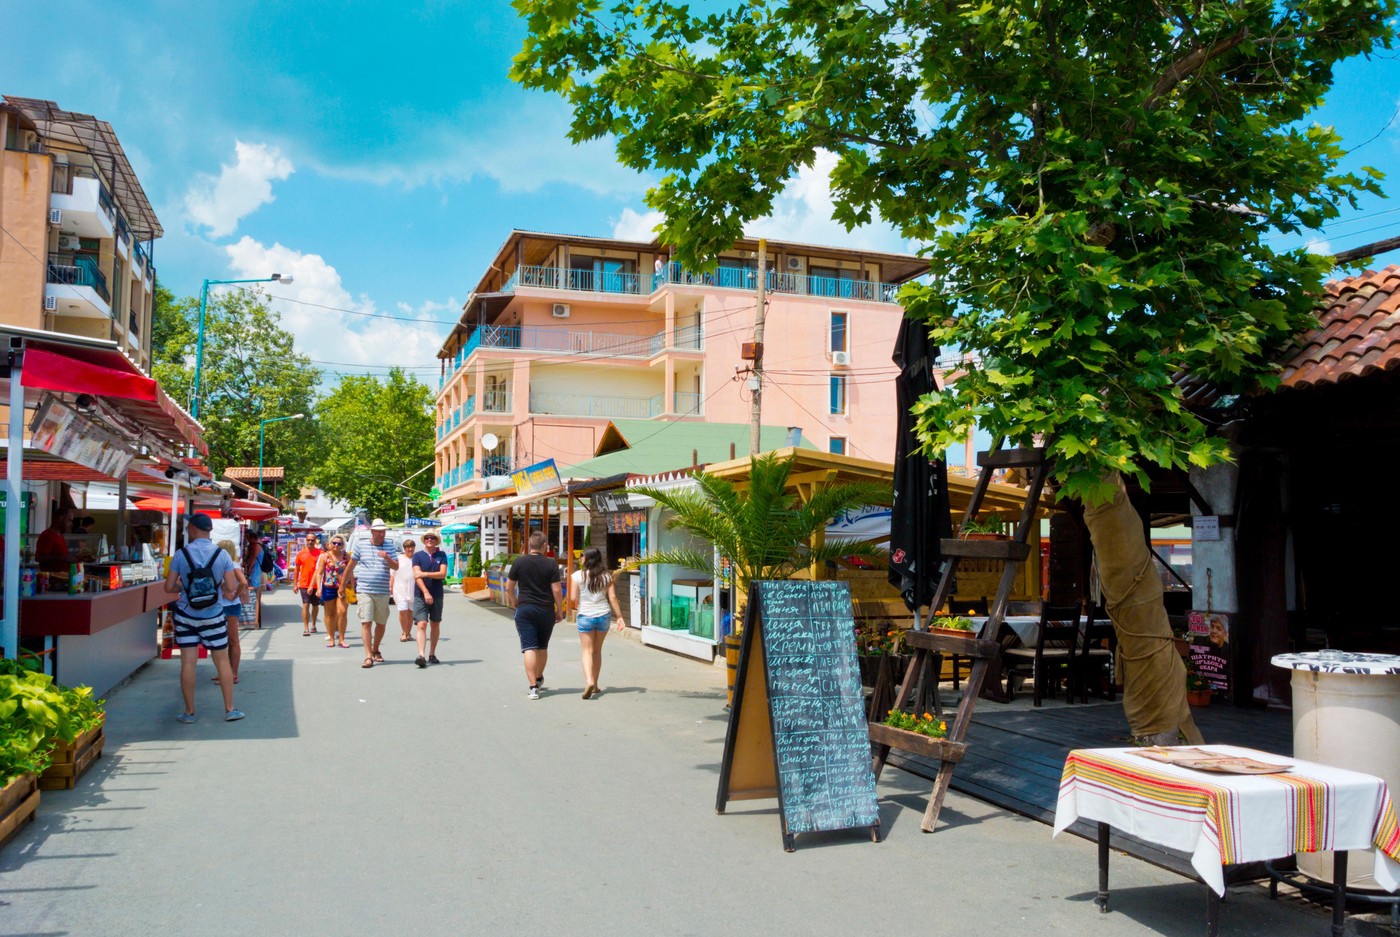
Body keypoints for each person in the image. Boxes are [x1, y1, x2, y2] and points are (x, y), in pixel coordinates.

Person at [164, 514, 244, 723]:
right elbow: (230, 587)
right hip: (213, 615)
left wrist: (186, 587)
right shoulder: (222, 555)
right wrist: (216, 587)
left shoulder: (181, 555)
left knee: (188, 663)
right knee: (221, 661)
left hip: (186, 615)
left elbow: (168, 587)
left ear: (192, 528)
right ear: (209, 530)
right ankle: (230, 709)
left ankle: (189, 712)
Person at [508, 531, 564, 699]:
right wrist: (559, 610)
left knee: (529, 648)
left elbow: (510, 587)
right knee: (542, 647)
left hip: (525, 608)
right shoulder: (551, 564)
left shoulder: (519, 562)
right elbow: (556, 589)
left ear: (528, 546)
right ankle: (539, 678)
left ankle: (533, 687)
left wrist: (514, 602)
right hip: (546, 609)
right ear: (545, 546)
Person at [568, 547, 625, 699]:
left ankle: (589, 681)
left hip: (585, 614)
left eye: (582, 557)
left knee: (586, 651)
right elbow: (612, 598)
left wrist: (580, 604)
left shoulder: (577, 576)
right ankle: (596, 685)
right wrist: (619, 617)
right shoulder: (607, 576)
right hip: (603, 616)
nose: (580, 559)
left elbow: (573, 598)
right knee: (597, 651)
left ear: (588, 559)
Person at [344, 519, 400, 669]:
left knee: (381, 623)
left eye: (383, 531)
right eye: (379, 531)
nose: (381, 534)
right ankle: (368, 656)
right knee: (366, 622)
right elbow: (351, 565)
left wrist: (386, 557)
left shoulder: (389, 545)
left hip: (382, 591)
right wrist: (343, 584)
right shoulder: (361, 545)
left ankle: (376, 649)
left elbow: (396, 566)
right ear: (372, 532)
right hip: (364, 590)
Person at [411, 532, 449, 668]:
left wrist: (425, 573)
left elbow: (442, 574)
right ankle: (421, 655)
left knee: (435, 623)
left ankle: (432, 654)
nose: (429, 540)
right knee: (421, 624)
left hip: (437, 594)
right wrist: (426, 592)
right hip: (420, 595)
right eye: (427, 538)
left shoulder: (441, 555)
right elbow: (417, 575)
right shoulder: (417, 556)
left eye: (432, 538)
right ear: (424, 541)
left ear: (436, 541)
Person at [215, 539, 249, 685]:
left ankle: (232, 674)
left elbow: (243, 582)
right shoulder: (230, 565)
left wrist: (234, 595)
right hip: (226, 605)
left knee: (231, 640)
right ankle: (227, 672)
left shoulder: (232, 565)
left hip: (228, 606)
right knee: (226, 641)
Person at [312, 535, 350, 649]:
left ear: (342, 545)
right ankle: (332, 638)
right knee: (330, 614)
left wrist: (353, 585)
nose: (336, 545)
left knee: (342, 612)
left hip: (343, 587)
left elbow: (350, 571)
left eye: (339, 543)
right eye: (334, 543)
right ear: (330, 543)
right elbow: (319, 573)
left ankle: (342, 639)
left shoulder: (346, 556)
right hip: (328, 587)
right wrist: (318, 588)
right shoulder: (325, 556)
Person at [295, 533, 323, 636]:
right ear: (306, 541)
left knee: (315, 605)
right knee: (305, 605)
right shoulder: (301, 553)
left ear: (316, 541)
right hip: (304, 583)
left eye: (312, 540)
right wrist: (295, 584)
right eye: (308, 540)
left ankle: (314, 624)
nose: (310, 542)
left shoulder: (321, 553)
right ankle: (306, 628)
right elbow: (297, 570)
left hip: (317, 584)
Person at [35, 506, 74, 574]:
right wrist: (62, 557)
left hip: (62, 578)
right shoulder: (48, 535)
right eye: (69, 520)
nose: (71, 524)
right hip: (52, 580)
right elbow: (39, 557)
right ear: (61, 518)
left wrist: (74, 558)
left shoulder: (60, 535)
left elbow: (62, 555)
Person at [393, 537, 417, 642]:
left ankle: (408, 633)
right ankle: (403, 632)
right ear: (404, 548)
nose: (410, 549)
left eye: (411, 547)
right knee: (403, 610)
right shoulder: (398, 559)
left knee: (410, 612)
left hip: (413, 588)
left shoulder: (417, 559)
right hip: (400, 588)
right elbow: (392, 574)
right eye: (407, 547)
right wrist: (390, 587)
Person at [242, 529, 264, 628]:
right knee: (256, 590)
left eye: (247, 537)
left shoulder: (256, 546)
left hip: (255, 571)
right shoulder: (258, 545)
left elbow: (252, 559)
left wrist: (248, 570)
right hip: (257, 571)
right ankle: (256, 612)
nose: (246, 539)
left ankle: (255, 612)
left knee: (254, 591)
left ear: (251, 537)